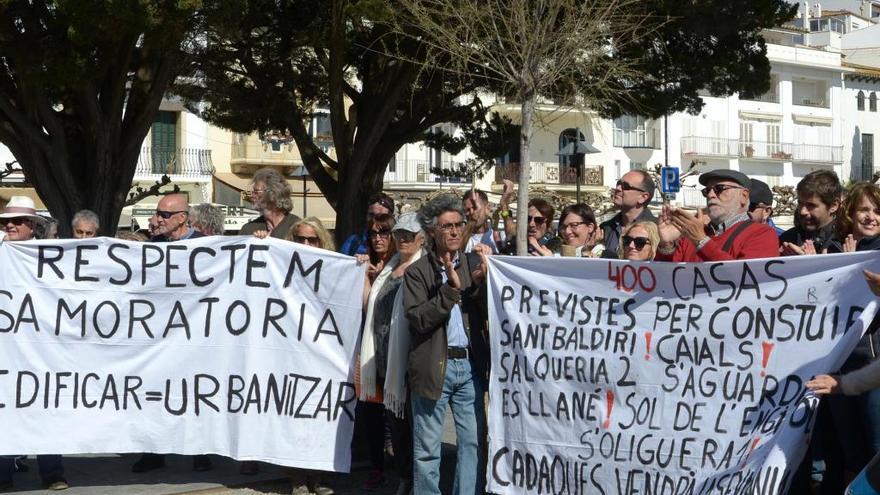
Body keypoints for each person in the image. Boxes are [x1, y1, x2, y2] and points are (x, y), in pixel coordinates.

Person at [404, 194, 489, 495]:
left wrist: (480, 285)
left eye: (458, 225)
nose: (454, 231)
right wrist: (450, 290)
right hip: (432, 367)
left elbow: (486, 312)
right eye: (446, 226)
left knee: (473, 442)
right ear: (431, 233)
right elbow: (419, 319)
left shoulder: (474, 263)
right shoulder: (417, 272)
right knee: (427, 448)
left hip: (469, 367)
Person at [0, 197, 68, 491]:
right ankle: (3, 474)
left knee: (44, 407)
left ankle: (52, 473)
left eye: (16, 221)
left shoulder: (50, 257)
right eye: (5, 222)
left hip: (41, 349)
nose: (10, 226)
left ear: (32, 227)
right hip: (5, 348)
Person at [359, 212, 424, 495]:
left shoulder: (425, 267)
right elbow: (368, 307)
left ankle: (419, 481)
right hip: (385, 360)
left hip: (411, 362)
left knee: (416, 429)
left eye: (408, 235)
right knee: (396, 429)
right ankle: (405, 476)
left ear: (422, 238)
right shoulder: (389, 267)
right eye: (399, 234)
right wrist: (363, 276)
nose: (401, 239)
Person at [353, 213, 397, 490]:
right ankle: (377, 466)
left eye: (383, 232)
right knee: (371, 414)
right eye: (373, 233)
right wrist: (363, 275)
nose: (378, 238)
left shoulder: (401, 266)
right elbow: (367, 306)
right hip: (369, 354)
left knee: (396, 414)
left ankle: (402, 467)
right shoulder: (366, 265)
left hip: (393, 351)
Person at [655, 169, 779, 262]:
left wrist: (701, 241)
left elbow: (747, 280)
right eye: (707, 190)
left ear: (744, 196)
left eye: (719, 189)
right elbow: (666, 283)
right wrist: (666, 245)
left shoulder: (763, 234)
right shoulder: (692, 235)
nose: (710, 195)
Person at [780, 169, 841, 255]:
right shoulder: (787, 239)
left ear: (833, 206)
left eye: (811, 205)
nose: (802, 211)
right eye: (800, 203)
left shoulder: (846, 242)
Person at [600, 170, 657, 257]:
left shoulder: (658, 229)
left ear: (643, 197)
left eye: (625, 186)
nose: (618, 188)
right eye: (618, 184)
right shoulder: (606, 228)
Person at [239, 168, 300, 239]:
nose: (252, 195)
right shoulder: (248, 230)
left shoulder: (297, 227)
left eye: (256, 191)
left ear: (273, 194)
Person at [463, 189, 504, 254]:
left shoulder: (498, 236)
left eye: (475, 207)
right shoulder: (462, 238)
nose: (472, 212)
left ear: (487, 208)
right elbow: (459, 249)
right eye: (467, 210)